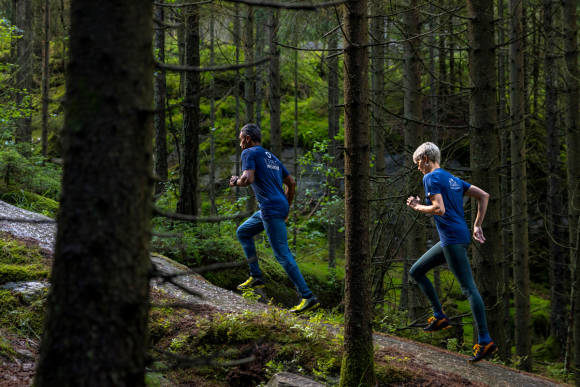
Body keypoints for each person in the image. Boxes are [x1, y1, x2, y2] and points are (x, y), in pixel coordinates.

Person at [406, 142, 497, 362]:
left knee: (468, 288)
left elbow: (439, 208)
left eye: (418, 162)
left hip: (453, 240)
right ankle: (439, 316)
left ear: (426, 158)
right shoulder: (453, 179)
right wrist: (477, 225)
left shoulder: (430, 177)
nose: (418, 167)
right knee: (416, 271)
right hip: (457, 237)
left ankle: (485, 340)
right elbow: (484, 195)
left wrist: (417, 207)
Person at [230, 123, 319, 314]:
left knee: (282, 254)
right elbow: (291, 183)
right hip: (274, 207)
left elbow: (247, 179)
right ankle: (256, 276)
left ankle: (307, 296)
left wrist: (235, 181)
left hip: (270, 208)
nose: (240, 144)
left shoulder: (249, 153)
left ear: (246, 138)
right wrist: (286, 206)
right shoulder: (272, 157)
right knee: (243, 232)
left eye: (240, 139)